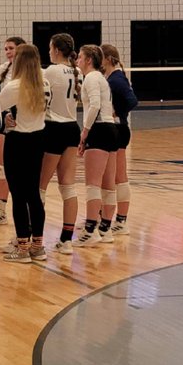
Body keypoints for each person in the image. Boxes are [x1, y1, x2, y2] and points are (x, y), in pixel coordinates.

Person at [0, 44, 48, 264]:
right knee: (34, 195)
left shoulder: (14, 86)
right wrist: (9, 114)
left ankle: (22, 247)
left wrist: (6, 116)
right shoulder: (45, 84)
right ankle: (38, 247)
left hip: (18, 141)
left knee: (19, 196)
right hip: (38, 140)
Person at [40, 33, 82, 255]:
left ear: (56, 49)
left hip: (53, 129)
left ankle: (33, 238)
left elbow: (41, 99)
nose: (48, 52)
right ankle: (67, 240)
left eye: (49, 48)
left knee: (40, 187)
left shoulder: (51, 71)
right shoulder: (78, 73)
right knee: (68, 186)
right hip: (72, 128)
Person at [75, 44, 119, 247]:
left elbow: (94, 105)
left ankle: (90, 230)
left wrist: (85, 132)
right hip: (110, 129)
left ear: (88, 60)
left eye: (80, 57)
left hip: (99, 129)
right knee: (108, 185)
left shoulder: (92, 77)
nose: (77, 61)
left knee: (92, 184)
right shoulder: (101, 78)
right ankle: (106, 229)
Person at [0, 35, 26, 227]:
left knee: (21, 169)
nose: (8, 52)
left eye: (11, 48)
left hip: (25, 120)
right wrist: (4, 112)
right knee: (1, 168)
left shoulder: (29, 71)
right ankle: (0, 212)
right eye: (6, 49)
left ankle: (25, 211)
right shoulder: (4, 68)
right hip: (6, 118)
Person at [100, 44, 137, 236]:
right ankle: (106, 216)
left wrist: (118, 113)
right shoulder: (111, 77)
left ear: (107, 58)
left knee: (119, 177)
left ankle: (121, 221)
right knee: (110, 176)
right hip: (113, 129)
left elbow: (132, 100)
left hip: (119, 129)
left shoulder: (116, 79)